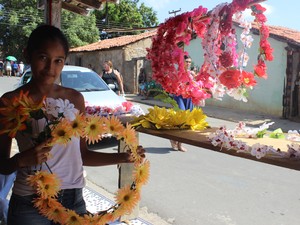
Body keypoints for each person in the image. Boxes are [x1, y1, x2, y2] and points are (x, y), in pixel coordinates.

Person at [0, 24, 145, 225]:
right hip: (28, 202)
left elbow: (82, 155)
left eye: (58, 61)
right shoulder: (10, 102)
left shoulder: (75, 99)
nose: (51, 68)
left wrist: (124, 157)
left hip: (72, 199)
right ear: (28, 55)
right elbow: (2, 165)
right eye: (43, 57)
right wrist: (21, 160)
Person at [170, 55, 195, 152]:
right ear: (182, 62)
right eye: (186, 61)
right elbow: (172, 86)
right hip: (179, 97)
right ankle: (173, 138)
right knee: (179, 118)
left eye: (189, 62)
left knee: (187, 120)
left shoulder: (191, 74)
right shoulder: (177, 73)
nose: (188, 63)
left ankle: (180, 144)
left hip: (188, 98)